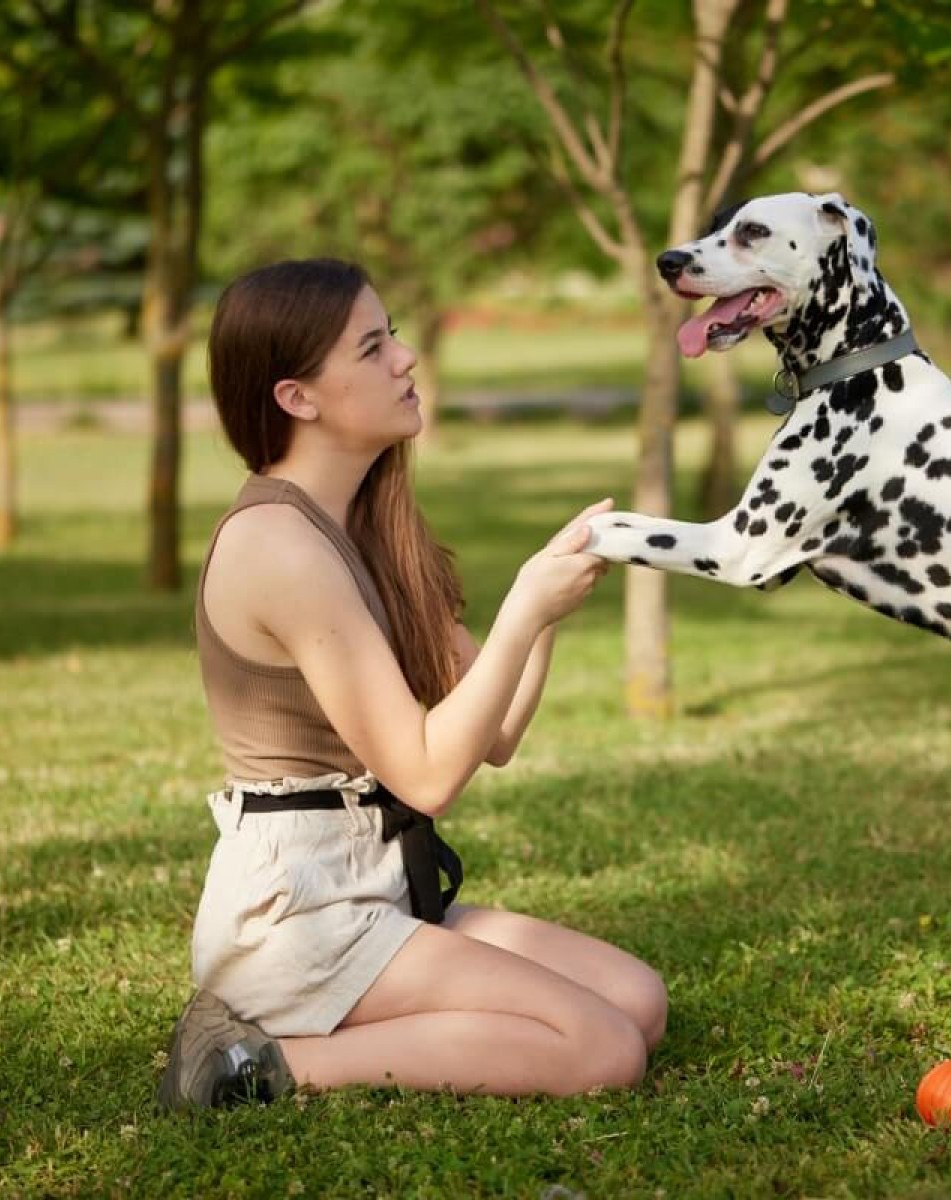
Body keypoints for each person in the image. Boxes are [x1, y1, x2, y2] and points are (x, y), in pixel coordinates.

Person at [156, 258, 667, 1110]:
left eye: (392, 334)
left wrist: (535, 610)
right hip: (297, 915)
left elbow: (493, 737)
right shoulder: (279, 545)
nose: (406, 358)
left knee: (637, 1002)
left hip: (377, 887)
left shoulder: (368, 526)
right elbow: (427, 776)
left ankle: (308, 1032)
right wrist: (520, 614)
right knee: (602, 1049)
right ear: (298, 398)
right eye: (372, 347)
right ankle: (253, 1062)